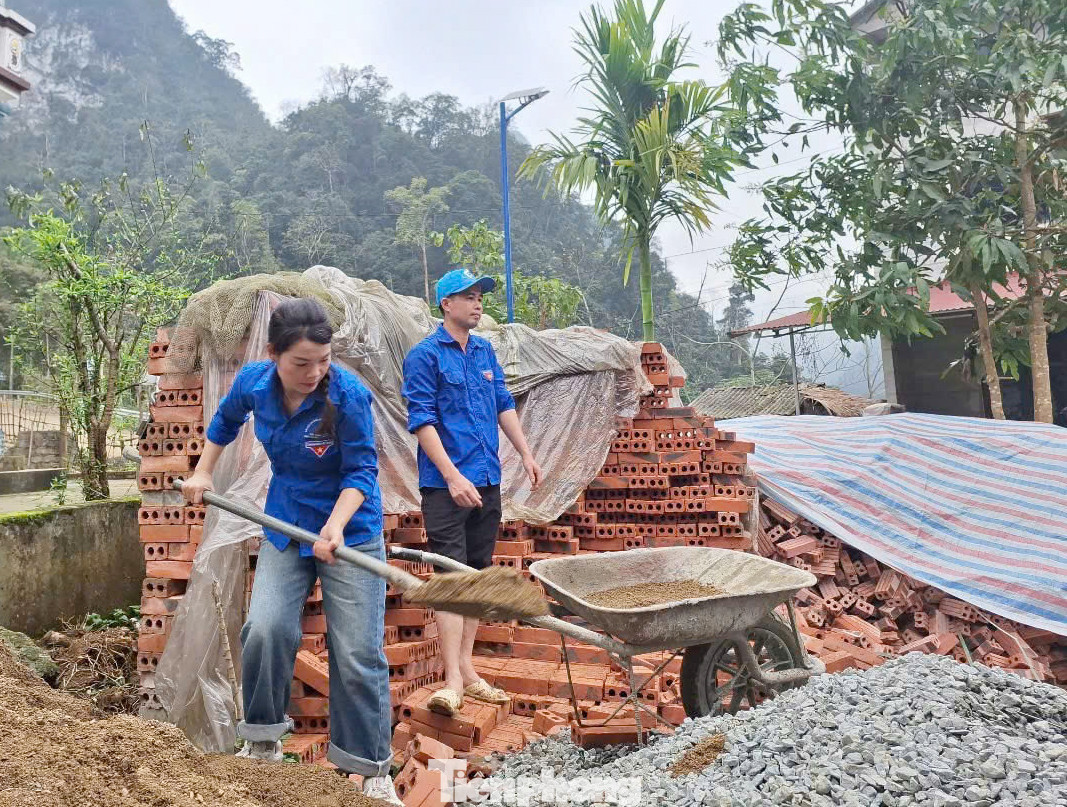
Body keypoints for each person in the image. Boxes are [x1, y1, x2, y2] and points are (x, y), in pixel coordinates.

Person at [180, 298, 402, 806]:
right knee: (265, 627)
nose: (314, 372)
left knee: (357, 652)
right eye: (301, 363)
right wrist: (203, 470)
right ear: (273, 354)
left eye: (322, 360)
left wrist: (335, 528)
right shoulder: (255, 383)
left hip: (350, 527)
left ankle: (370, 768)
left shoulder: (346, 395)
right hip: (285, 521)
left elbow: (361, 473)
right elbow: (224, 422)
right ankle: (261, 740)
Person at [401, 268, 542, 717]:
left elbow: (503, 404)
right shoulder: (424, 355)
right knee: (450, 577)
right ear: (447, 304)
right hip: (446, 486)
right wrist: (451, 477)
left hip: (486, 477)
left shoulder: (485, 351)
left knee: (477, 574)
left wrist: (525, 453)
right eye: (469, 296)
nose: (478, 303)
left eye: (481, 296)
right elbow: (421, 420)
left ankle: (467, 668)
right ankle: (452, 680)